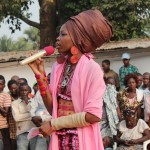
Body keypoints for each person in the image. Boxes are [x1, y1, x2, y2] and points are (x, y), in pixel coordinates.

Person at [28, 9, 113, 150]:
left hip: (81, 141)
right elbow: (52, 109)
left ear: (78, 38)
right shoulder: (58, 67)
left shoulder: (93, 69)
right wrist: (40, 75)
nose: (57, 38)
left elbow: (93, 116)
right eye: (58, 34)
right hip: (60, 140)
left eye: (63, 34)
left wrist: (53, 124)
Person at [12, 83, 37, 150]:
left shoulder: (35, 101)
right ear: (19, 91)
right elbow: (17, 118)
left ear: (30, 91)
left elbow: (38, 115)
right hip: (22, 133)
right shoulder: (15, 103)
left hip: (34, 132)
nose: (24, 92)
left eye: (26, 90)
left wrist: (28, 103)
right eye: (22, 90)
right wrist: (31, 115)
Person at [100, 78, 120, 149]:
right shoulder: (101, 93)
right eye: (108, 83)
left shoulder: (115, 94)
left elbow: (117, 107)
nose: (110, 86)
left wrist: (118, 119)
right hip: (101, 121)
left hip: (110, 123)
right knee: (101, 141)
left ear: (115, 85)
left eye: (112, 84)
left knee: (108, 141)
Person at [0, 75, 11, 150]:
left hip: (2, 127)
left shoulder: (6, 95)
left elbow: (5, 113)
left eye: (1, 84)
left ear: (4, 85)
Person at [7, 80, 19, 150]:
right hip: (12, 124)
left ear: (18, 87)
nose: (13, 90)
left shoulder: (21, 96)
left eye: (15, 88)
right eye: (11, 89)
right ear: (9, 88)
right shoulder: (7, 98)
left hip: (22, 124)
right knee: (13, 143)